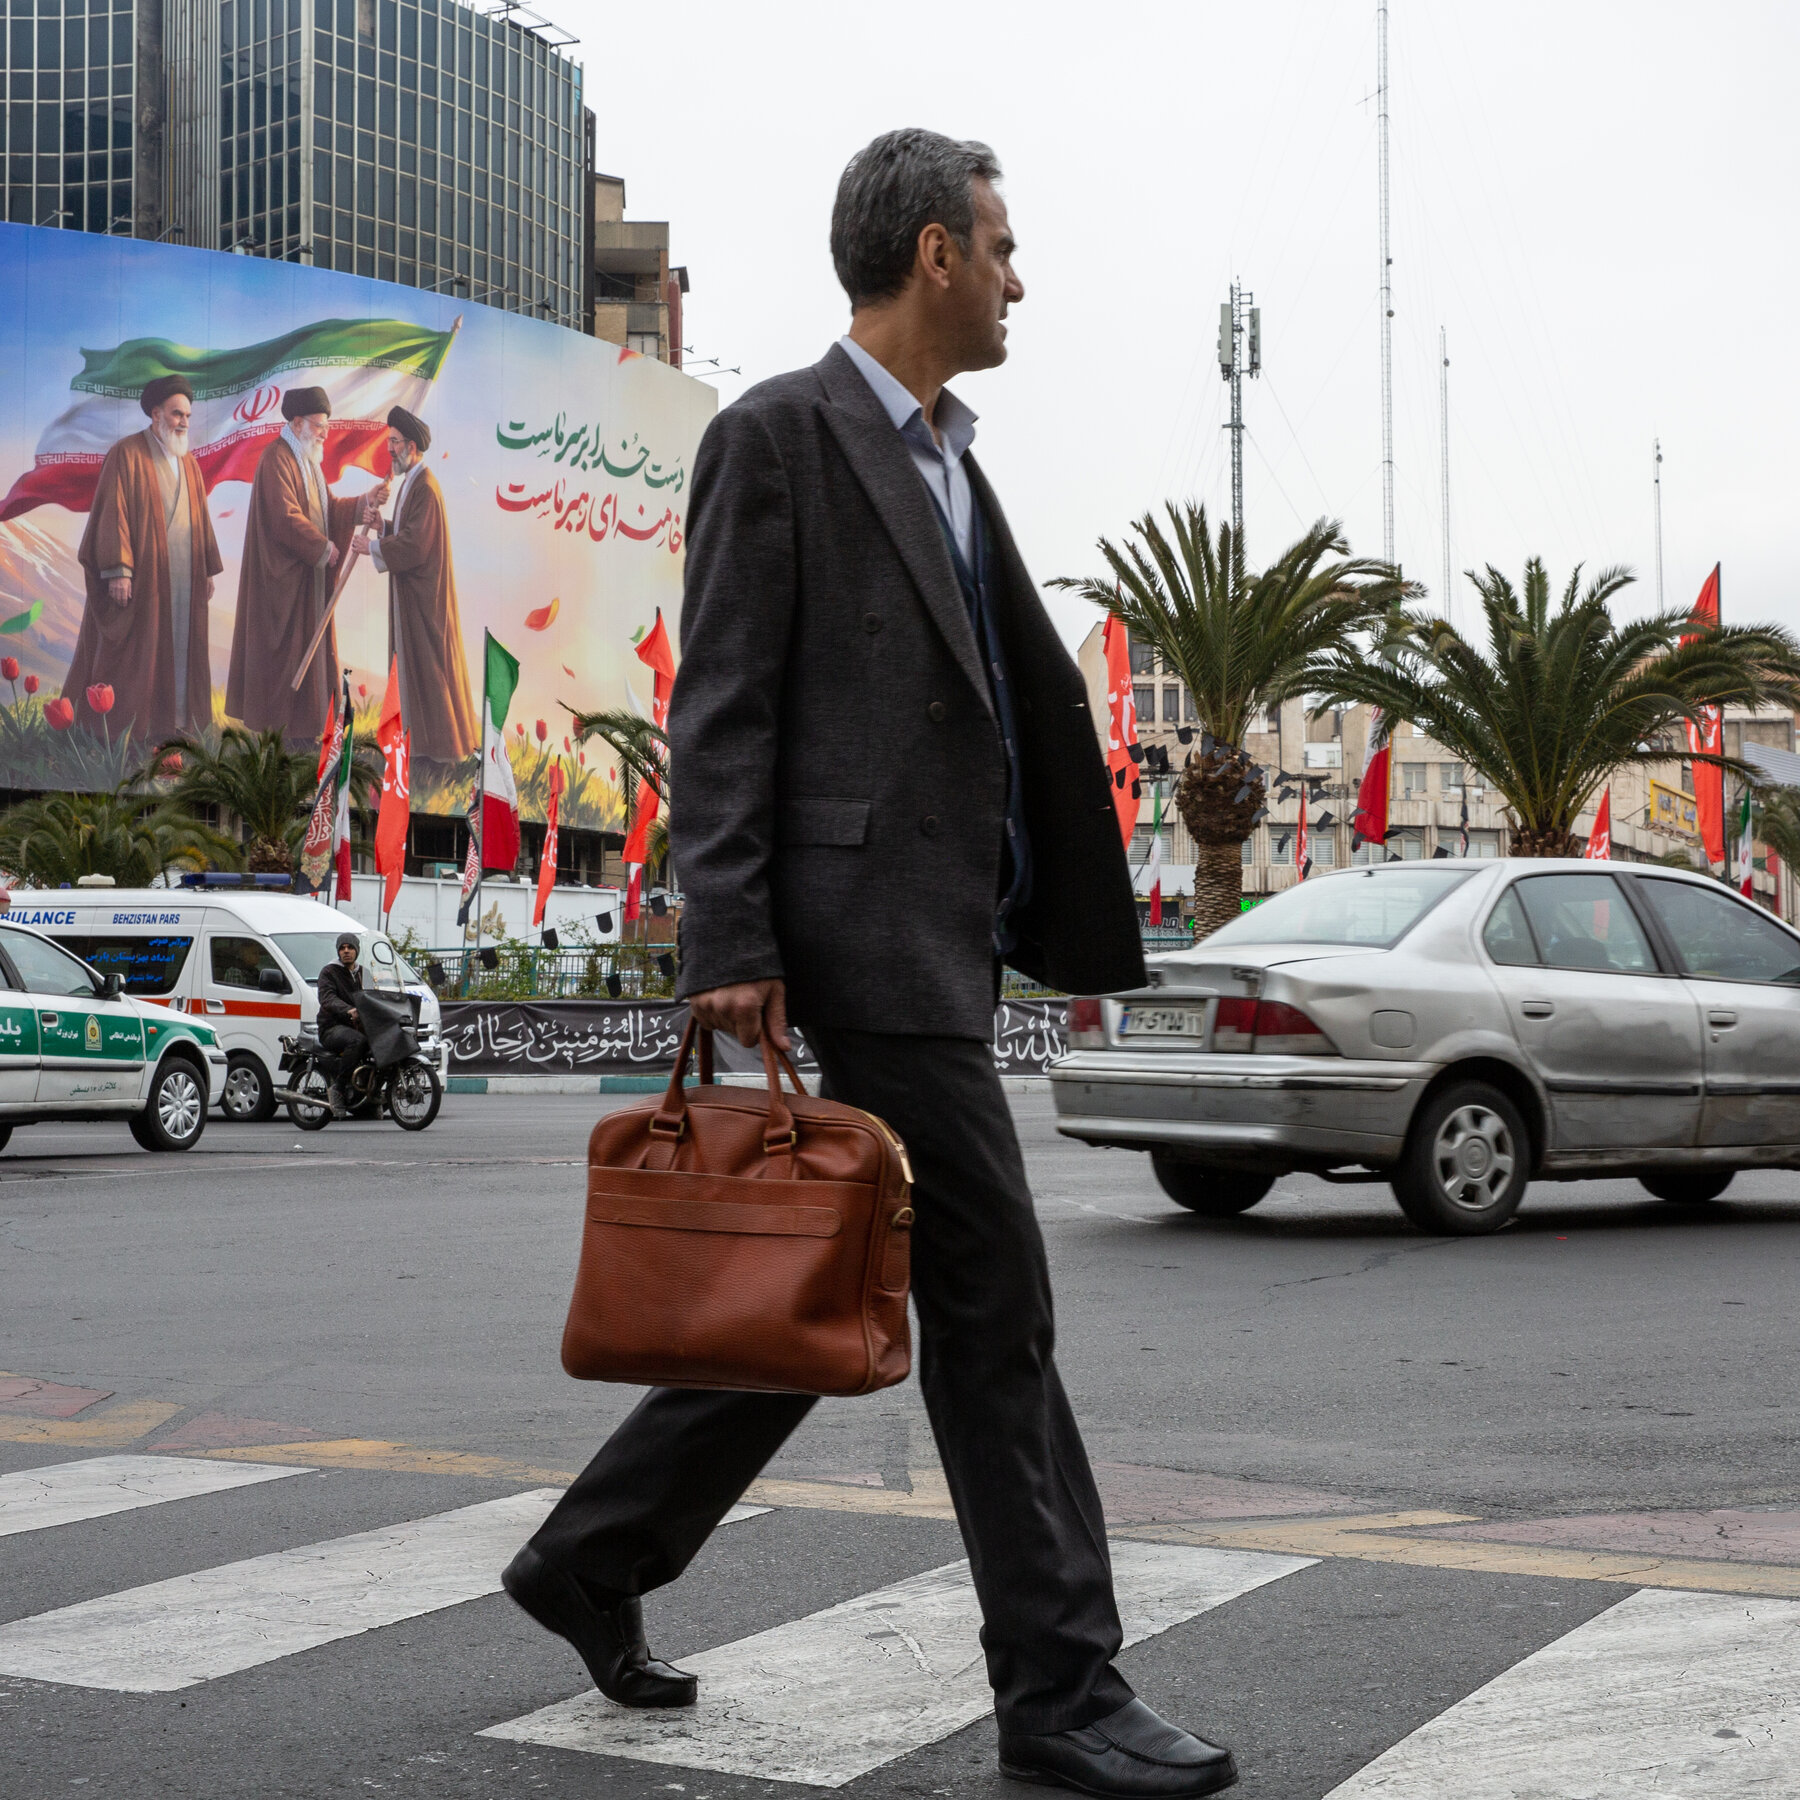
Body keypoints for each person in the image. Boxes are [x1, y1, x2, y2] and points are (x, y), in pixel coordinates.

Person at [502, 131, 1236, 1798]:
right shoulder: (784, 435)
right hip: (854, 940)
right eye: (1000, 243)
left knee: (837, 1286)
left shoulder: (950, 464)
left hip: (937, 934)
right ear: (932, 253)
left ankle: (591, 1559)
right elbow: (725, 704)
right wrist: (730, 944)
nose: (1017, 275)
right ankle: (1063, 1692)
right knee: (1001, 1314)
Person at [67, 375, 224, 741]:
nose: (183, 422)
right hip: (144, 580)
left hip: (184, 580)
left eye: (187, 415)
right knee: (138, 653)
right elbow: (112, 514)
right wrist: (118, 570)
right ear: (155, 414)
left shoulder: (189, 465)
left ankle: (177, 727)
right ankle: (135, 732)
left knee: (183, 651)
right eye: (175, 414)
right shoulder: (127, 454)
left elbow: (200, 520)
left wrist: (207, 571)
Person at [225, 387, 383, 743]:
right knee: (282, 661)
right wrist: (321, 547)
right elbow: (285, 518)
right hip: (281, 586)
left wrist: (363, 504)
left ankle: (304, 734)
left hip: (305, 583)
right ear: (297, 423)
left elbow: (329, 509)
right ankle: (280, 737)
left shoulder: (308, 462)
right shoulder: (276, 459)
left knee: (307, 661)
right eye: (320, 425)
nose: (325, 433)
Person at [352, 406, 478, 763]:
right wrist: (383, 527)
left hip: (426, 604)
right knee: (418, 672)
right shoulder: (413, 482)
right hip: (415, 598)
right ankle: (421, 747)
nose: (388, 449)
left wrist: (372, 547)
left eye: (393, 442)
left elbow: (417, 545)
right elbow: (408, 534)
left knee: (431, 674)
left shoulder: (426, 486)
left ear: (410, 445)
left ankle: (440, 753)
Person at [316, 932, 368, 1118]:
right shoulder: (329, 972)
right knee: (357, 1041)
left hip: (359, 1025)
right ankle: (338, 1088)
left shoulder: (364, 973)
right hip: (331, 1027)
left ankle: (370, 1094)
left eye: (350, 947)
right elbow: (327, 998)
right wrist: (348, 1010)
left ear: (357, 950)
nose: (346, 951)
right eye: (342, 948)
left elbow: (376, 995)